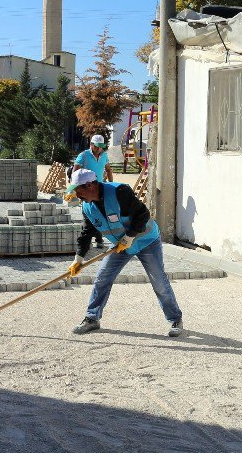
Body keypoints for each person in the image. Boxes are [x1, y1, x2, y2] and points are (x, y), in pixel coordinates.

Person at [66, 168, 183, 337]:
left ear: (90, 185)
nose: (77, 196)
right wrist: (79, 258)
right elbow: (87, 232)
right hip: (120, 246)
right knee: (102, 278)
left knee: (158, 280)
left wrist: (129, 237)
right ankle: (92, 318)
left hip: (146, 240)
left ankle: (175, 319)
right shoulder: (87, 207)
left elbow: (143, 215)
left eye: (79, 190)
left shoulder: (119, 192)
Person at [72, 134, 113, 248]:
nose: (98, 149)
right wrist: (75, 189)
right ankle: (87, 240)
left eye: (101, 146)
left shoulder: (104, 156)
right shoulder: (83, 155)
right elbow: (75, 173)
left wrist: (110, 185)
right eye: (96, 146)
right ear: (91, 144)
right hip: (86, 190)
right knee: (87, 214)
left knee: (99, 214)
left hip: (99, 190)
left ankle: (99, 239)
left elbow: (108, 170)